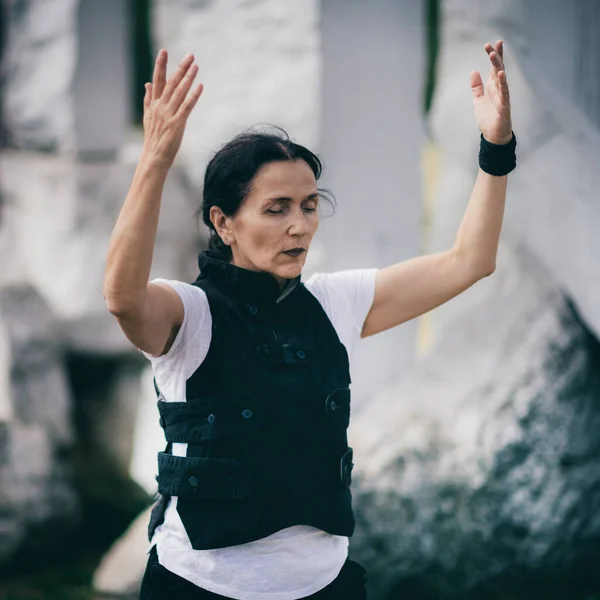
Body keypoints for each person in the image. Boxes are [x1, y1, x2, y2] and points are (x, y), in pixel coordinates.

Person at [103, 40, 516, 600]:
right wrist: (154, 159)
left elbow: (471, 261)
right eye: (276, 209)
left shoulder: (334, 302)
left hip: (326, 585)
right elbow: (124, 299)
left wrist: (495, 147)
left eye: (309, 204)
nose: (299, 225)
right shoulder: (191, 315)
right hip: (198, 586)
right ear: (223, 223)